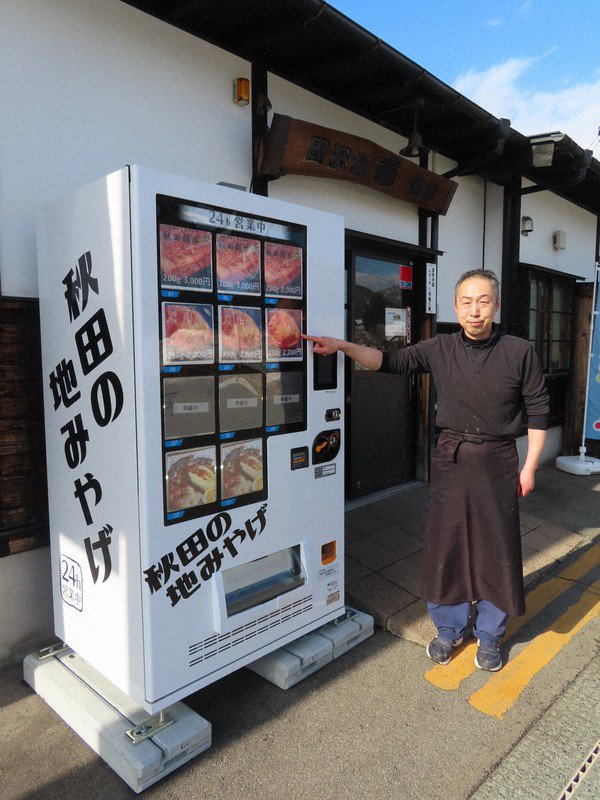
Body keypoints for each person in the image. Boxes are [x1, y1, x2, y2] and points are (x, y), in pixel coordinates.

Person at [302, 269, 549, 672]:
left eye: (483, 301)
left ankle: (489, 634)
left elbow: (538, 411)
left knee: (496, 547)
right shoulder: (441, 347)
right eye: (466, 302)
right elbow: (389, 361)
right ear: (455, 306)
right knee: (446, 545)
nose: (474, 310)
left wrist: (530, 466)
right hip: (451, 458)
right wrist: (343, 345)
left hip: (498, 459)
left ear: (496, 305)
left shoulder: (519, 352)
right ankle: (449, 628)